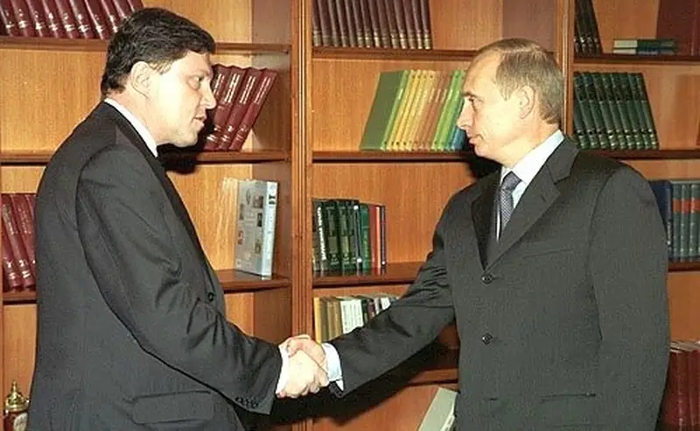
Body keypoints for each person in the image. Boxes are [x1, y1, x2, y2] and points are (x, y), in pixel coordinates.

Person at [285, 38, 669, 430]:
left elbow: (637, 348)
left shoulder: (608, 191)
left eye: (474, 101)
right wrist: (329, 359)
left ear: (523, 101)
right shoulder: (464, 207)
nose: (461, 119)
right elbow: (418, 312)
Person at [28, 8, 326, 430]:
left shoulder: (108, 148)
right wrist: (274, 368)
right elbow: (164, 312)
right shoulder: (113, 162)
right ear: (144, 78)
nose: (212, 99)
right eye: (197, 80)